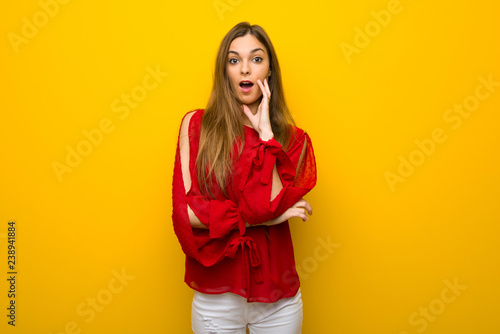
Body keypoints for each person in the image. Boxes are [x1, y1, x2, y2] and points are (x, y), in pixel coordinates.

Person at [171, 21, 317, 333]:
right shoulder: (197, 126)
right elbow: (186, 214)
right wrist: (263, 220)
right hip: (216, 298)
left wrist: (267, 138)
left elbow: (273, 204)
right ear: (225, 73)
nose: (245, 69)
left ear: (269, 72)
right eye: (234, 60)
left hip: (279, 302)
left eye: (256, 59)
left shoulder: (294, 141)